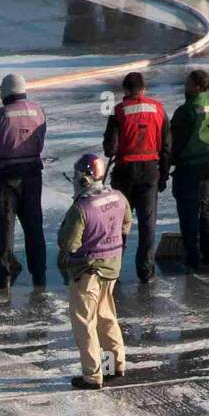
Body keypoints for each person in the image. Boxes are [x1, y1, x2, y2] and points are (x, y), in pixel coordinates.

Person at [57, 152, 130, 391]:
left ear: (86, 178)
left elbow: (69, 243)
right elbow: (126, 225)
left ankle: (92, 376)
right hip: (112, 267)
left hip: (88, 272)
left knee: (84, 322)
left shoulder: (82, 207)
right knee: (107, 316)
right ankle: (114, 364)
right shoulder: (118, 197)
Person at [0, 73, 47, 287]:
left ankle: (3, 277)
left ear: (5, 91)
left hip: (7, 177)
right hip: (33, 175)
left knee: (4, 227)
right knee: (34, 227)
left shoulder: (0, 115)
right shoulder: (39, 111)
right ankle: (39, 276)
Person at [103, 71, 171, 283]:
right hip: (150, 169)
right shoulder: (158, 109)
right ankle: (146, 271)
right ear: (143, 89)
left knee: (119, 223)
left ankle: (113, 269)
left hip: (124, 172)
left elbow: (110, 148)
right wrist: (164, 175)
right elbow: (167, 146)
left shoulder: (119, 111)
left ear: (125, 90)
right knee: (147, 222)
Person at [169, 69, 209, 271]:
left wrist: (166, 167)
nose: (185, 88)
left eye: (188, 84)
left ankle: (193, 256)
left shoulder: (186, 111)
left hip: (189, 166)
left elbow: (173, 144)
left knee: (188, 212)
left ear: (197, 87)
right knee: (206, 207)